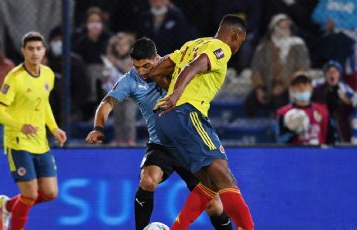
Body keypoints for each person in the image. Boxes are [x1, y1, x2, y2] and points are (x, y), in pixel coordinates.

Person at [86, 37, 232, 230]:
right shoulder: (130, 80)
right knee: (147, 180)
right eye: (137, 67)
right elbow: (107, 104)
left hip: (189, 144)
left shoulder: (177, 65)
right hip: (161, 144)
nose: (142, 72)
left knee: (214, 205)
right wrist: (98, 128)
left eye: (146, 65)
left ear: (157, 57)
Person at [150, 15, 254, 229]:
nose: (238, 47)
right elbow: (196, 65)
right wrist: (177, 94)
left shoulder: (193, 44)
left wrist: (170, 90)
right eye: (240, 42)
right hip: (186, 113)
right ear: (236, 35)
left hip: (164, 121)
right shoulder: (221, 48)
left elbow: (156, 70)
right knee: (226, 178)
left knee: (209, 184)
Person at [0, 32, 67, 230]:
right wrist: (20, 125)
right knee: (30, 194)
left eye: (38, 49)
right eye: (30, 49)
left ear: (44, 51)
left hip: (40, 142)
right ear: (23, 51)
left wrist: (54, 127)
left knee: (50, 193)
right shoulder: (15, 78)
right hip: (18, 141)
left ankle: (8, 206)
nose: (35, 53)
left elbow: (43, 104)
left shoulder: (48, 74)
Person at [245, 13, 310, 117]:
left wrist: (284, 85)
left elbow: (302, 68)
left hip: (291, 85)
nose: (285, 29)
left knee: (280, 101)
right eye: (281, 26)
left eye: (287, 26)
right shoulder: (263, 48)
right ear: (274, 28)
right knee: (250, 101)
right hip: (268, 84)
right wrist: (259, 88)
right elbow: (256, 69)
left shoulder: (298, 46)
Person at [101, 32, 138, 145]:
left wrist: (115, 62)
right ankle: (119, 139)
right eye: (118, 45)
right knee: (118, 118)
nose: (121, 48)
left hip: (130, 96)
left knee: (128, 117)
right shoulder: (110, 62)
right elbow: (106, 78)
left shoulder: (133, 59)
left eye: (124, 45)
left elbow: (128, 70)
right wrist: (106, 76)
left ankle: (130, 139)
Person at [276, 74, 329, 145]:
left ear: (311, 87)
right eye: (298, 85)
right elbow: (279, 141)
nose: (302, 88)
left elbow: (330, 139)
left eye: (305, 84)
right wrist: (292, 131)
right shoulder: (283, 113)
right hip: (295, 154)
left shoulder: (323, 110)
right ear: (292, 89)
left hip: (318, 154)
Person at [312, 60, 357, 143]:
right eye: (329, 72)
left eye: (335, 71)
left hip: (341, 131)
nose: (332, 74)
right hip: (322, 129)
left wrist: (349, 104)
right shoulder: (316, 89)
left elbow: (354, 109)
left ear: (339, 74)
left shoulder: (346, 91)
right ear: (325, 74)